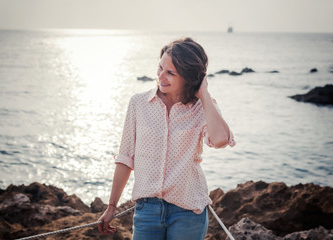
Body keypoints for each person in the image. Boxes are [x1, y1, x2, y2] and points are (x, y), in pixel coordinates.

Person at [97, 37, 235, 240]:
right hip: (147, 211)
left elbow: (221, 139)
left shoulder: (203, 107)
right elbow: (126, 158)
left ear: (189, 78)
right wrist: (111, 206)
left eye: (170, 73)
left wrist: (204, 94)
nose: (161, 76)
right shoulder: (138, 104)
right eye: (160, 68)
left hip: (188, 212)